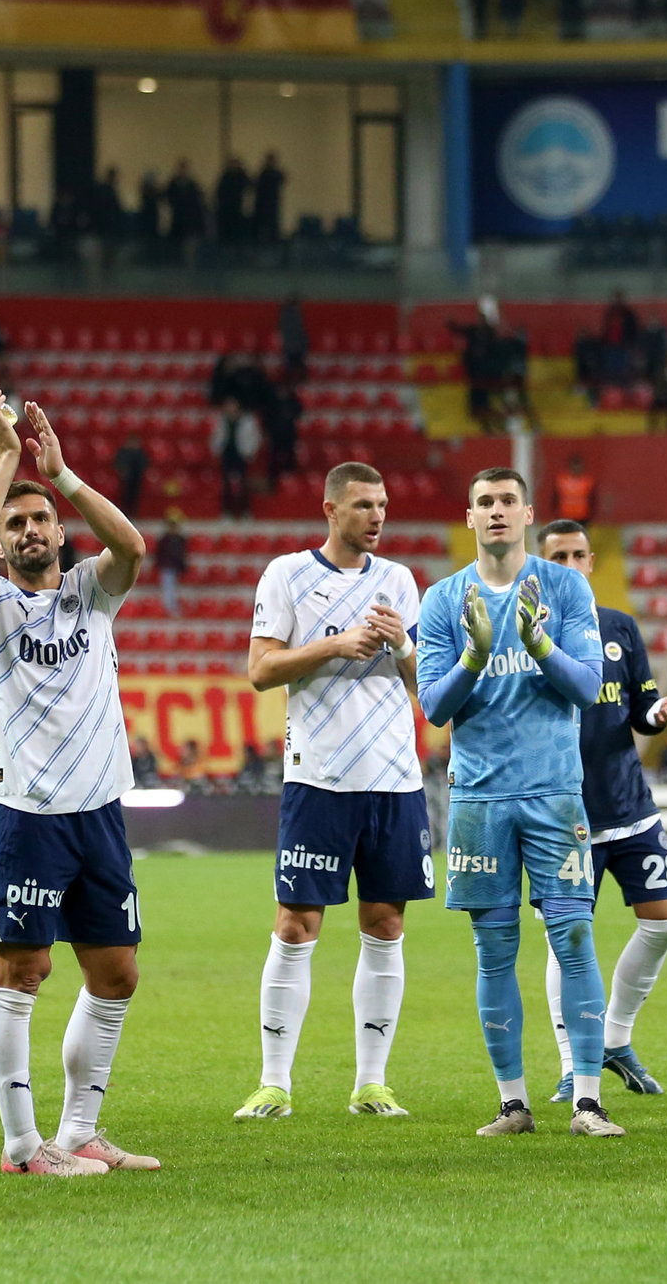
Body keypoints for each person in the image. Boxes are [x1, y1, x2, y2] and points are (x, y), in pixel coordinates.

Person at [0, 391, 160, 1176]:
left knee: (116, 973)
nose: (30, 530)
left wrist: (61, 474)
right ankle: (19, 1146)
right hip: (28, 814)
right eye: (16, 524)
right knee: (23, 971)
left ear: (61, 534)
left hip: (99, 813)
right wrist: (6, 461)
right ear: (2, 545)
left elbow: (132, 546)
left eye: (40, 520)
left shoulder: (90, 594)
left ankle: (78, 1131)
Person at [414, 467, 623, 1138]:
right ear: (469, 517)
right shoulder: (444, 600)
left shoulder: (565, 587)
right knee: (493, 948)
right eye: (483, 502)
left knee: (572, 933)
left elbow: (588, 687)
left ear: (528, 512)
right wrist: (475, 655)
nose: (496, 511)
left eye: (507, 500)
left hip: (553, 792)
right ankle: (513, 1105)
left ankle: (586, 1102)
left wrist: (538, 643)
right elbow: (434, 706)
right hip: (478, 796)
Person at [233, 462, 429, 1121]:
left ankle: (371, 1084)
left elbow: (423, 686)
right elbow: (260, 670)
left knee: (386, 924)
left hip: (394, 781)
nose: (377, 516)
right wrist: (334, 644)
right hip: (318, 779)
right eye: (364, 505)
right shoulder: (288, 574)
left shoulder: (400, 581)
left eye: (382, 504)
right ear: (330, 509)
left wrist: (403, 647)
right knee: (295, 925)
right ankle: (273, 1083)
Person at [536, 521, 667, 1102]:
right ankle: (574, 1064)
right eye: (558, 557)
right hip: (563, 816)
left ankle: (613, 1039)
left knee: (666, 922)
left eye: (578, 554)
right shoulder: (528, 635)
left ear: (592, 561)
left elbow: (640, 708)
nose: (570, 563)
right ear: (542, 567)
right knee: (567, 940)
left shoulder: (619, 628)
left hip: (630, 807)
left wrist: (657, 715)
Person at [211, 398, 261, 519]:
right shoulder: (222, 421)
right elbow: (216, 436)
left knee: (243, 484)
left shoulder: (247, 421)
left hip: (241, 454)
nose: (229, 409)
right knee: (226, 484)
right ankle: (226, 512)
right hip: (227, 454)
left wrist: (250, 451)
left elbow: (255, 438)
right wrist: (216, 449)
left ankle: (245, 511)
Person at [552, 454, 596, 525]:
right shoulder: (562, 480)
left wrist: (591, 514)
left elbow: (592, 499)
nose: (576, 469)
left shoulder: (587, 481)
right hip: (565, 515)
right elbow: (555, 497)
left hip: (582, 516)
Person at [114, 434, 148, 515]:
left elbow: (144, 465)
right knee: (125, 495)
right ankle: (124, 511)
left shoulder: (140, 453)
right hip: (125, 479)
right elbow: (117, 464)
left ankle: (133, 512)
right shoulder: (123, 452)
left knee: (134, 496)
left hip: (137, 479)